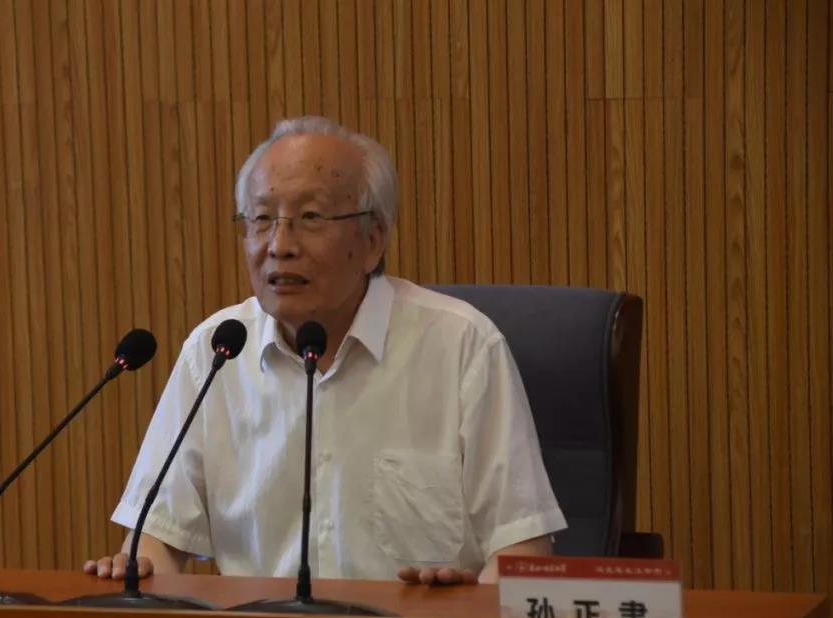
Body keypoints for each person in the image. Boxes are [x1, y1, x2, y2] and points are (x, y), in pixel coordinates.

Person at [84, 116, 565, 586]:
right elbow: (157, 538)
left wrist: (465, 607)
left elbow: (522, 546)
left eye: (310, 218)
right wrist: (137, 571)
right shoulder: (217, 351)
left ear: (373, 240)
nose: (279, 246)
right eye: (262, 220)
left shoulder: (462, 346)